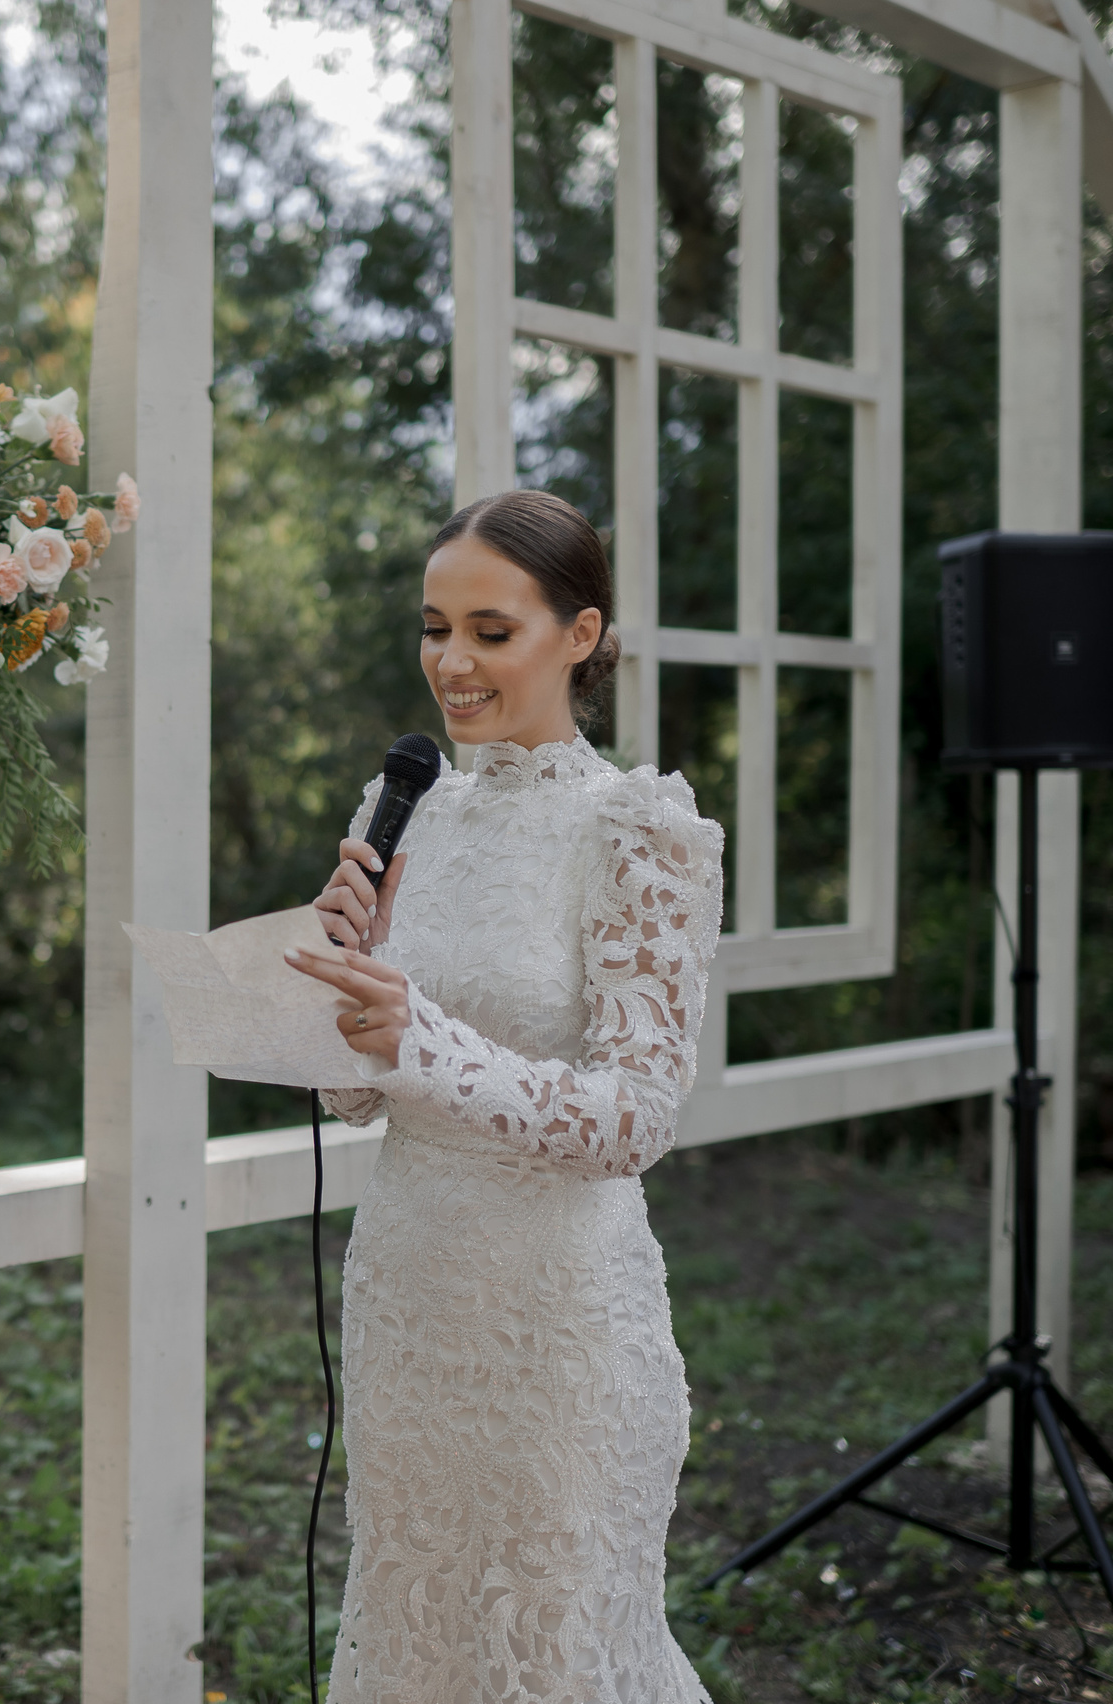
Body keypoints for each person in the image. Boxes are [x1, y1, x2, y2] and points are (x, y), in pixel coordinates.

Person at [287, 488, 726, 1702]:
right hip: (408, 1306)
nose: (451, 662)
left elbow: (635, 1116)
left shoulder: (640, 829)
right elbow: (358, 1101)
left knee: (556, 1654)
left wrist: (421, 1037)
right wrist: (344, 996)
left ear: (579, 636)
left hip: (557, 1328)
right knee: (419, 1634)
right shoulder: (411, 811)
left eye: (490, 630)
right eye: (435, 628)